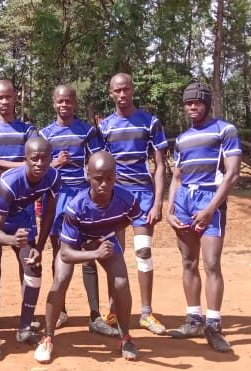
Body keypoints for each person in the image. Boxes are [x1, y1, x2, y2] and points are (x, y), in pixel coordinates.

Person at [34, 151, 140, 363]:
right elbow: (65, 253)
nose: (103, 184)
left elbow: (129, 218)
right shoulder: (76, 207)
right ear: (88, 176)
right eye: (98, 178)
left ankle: (125, 337)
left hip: (102, 240)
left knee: (121, 283)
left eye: (109, 178)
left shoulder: (126, 199)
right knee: (60, 280)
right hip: (75, 245)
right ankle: (48, 337)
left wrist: (107, 234)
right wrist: (93, 252)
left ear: (116, 176)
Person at [90, 73, 169, 335]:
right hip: (114, 198)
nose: (122, 94)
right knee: (114, 254)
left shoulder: (150, 122)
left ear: (132, 90)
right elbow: (99, 166)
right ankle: (114, 310)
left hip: (143, 196)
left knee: (143, 252)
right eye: (116, 91)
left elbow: (160, 166)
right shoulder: (104, 127)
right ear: (110, 93)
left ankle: (146, 313)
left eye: (126, 89)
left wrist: (158, 202)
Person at [165, 80, 241, 353]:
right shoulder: (183, 139)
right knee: (188, 261)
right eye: (188, 103)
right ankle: (193, 319)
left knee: (211, 263)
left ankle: (214, 325)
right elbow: (176, 176)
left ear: (207, 104)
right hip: (184, 200)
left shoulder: (225, 130)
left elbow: (232, 174)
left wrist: (211, 209)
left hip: (211, 199)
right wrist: (169, 208)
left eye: (197, 102)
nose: (192, 107)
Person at [0, 80, 44, 359]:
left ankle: (25, 327)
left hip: (24, 211)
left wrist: (0, 164)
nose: (5, 101)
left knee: (32, 265)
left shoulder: (28, 130)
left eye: (9, 96)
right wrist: (21, 167)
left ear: (16, 97)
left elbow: (36, 166)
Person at [0, 137, 60, 359]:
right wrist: (12, 240)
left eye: (45, 158)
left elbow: (49, 213)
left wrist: (40, 247)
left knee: (33, 267)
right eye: (34, 159)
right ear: (25, 160)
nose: (40, 163)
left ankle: (24, 328)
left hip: (22, 217)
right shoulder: (9, 183)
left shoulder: (52, 176)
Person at [37, 85, 105, 331]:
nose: (64, 105)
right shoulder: (45, 134)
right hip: (55, 198)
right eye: (60, 101)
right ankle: (61, 310)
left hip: (81, 198)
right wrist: (55, 163)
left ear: (75, 103)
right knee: (58, 252)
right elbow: (38, 168)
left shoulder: (87, 131)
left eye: (68, 101)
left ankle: (95, 315)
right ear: (53, 103)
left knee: (88, 252)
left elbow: (98, 163)